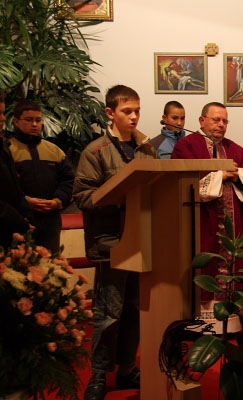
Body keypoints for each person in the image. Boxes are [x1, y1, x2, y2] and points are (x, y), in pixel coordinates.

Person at [72, 85, 157, 400]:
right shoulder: (95, 151)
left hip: (141, 239)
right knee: (109, 312)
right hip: (111, 241)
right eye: (127, 111)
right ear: (110, 113)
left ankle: (126, 369)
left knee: (135, 310)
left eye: (137, 111)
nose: (134, 117)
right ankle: (99, 373)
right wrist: (118, 195)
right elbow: (82, 196)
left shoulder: (147, 149)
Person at [171, 102, 243, 301]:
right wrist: (220, 175)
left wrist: (238, 174)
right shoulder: (186, 146)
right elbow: (180, 182)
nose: (221, 125)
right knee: (205, 263)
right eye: (216, 120)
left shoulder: (233, 148)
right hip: (203, 220)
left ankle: (231, 308)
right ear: (202, 120)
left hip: (232, 223)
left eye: (225, 121)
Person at [9, 100, 74, 253]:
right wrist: (27, 201)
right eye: (29, 120)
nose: (34, 124)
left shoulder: (54, 151)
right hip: (19, 219)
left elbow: (69, 180)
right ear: (16, 121)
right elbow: (6, 187)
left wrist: (57, 201)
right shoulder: (8, 150)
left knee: (51, 262)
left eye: (38, 120)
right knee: (20, 263)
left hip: (50, 220)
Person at [0, 91, 34, 249]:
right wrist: (17, 220)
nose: (3, 118)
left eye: (3, 113)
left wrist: (26, 216)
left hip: (11, 228)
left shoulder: (4, 145)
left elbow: (14, 186)